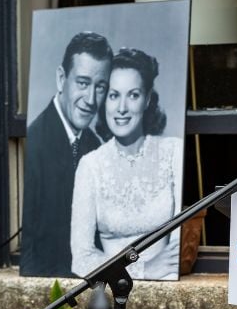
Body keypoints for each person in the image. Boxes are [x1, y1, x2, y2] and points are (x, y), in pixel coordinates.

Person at [70, 48, 182, 281]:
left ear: (147, 98)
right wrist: (143, 270)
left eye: (133, 95)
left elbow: (180, 247)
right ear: (104, 101)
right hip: (111, 290)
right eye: (113, 95)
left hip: (168, 286)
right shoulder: (90, 166)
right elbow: (81, 257)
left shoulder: (173, 152)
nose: (122, 108)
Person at [20, 31, 113, 277]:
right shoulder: (35, 141)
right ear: (62, 79)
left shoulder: (95, 146)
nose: (91, 99)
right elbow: (28, 244)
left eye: (100, 87)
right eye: (82, 83)